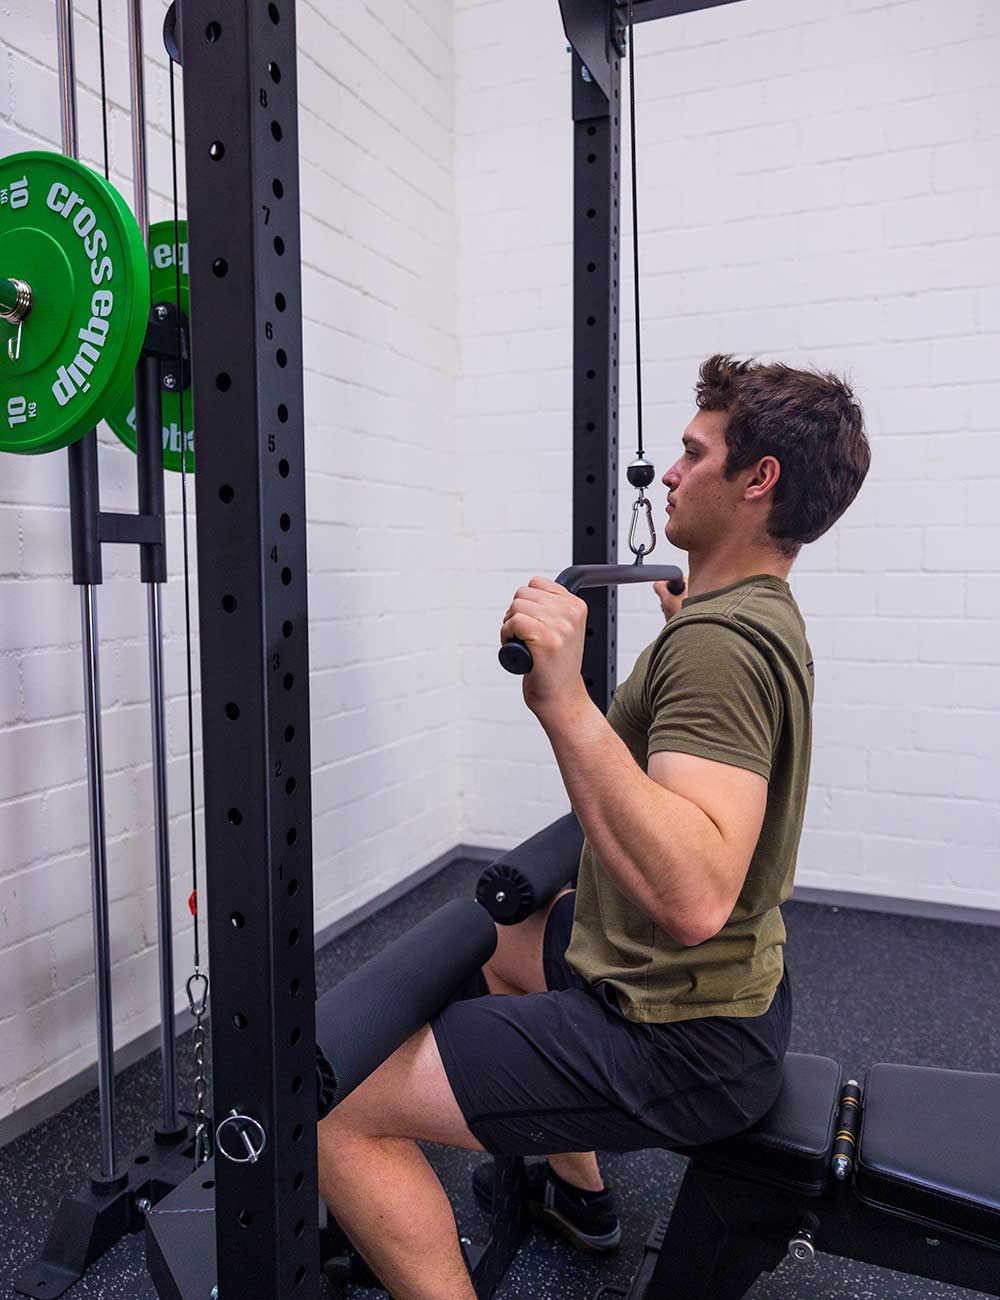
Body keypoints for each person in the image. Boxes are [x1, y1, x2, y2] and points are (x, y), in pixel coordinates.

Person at [316, 354, 871, 1300]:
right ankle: (580, 1196)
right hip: (725, 1001)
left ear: (758, 479)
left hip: (681, 1043)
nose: (670, 474)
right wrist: (686, 622)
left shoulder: (718, 648)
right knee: (509, 936)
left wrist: (564, 701)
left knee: (330, 1106)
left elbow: (695, 896)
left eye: (693, 454)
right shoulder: (751, 612)